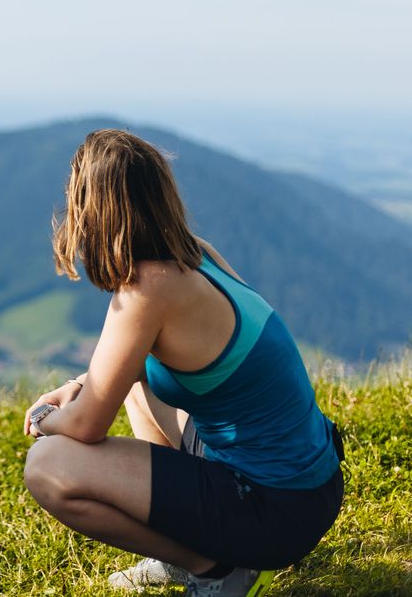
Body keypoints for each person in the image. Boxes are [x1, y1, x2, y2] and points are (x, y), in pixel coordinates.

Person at [22, 129, 344, 597]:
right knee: (133, 382)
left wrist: (47, 417)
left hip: (274, 509)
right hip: (309, 487)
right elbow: (119, 370)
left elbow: (88, 426)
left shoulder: (148, 292)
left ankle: (214, 568)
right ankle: (192, 546)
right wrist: (78, 384)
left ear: (92, 210)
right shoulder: (194, 254)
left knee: (46, 466)